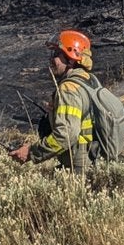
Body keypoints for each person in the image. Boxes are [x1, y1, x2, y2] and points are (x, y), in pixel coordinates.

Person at [12, 30, 101, 175]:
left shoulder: (69, 88)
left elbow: (66, 134)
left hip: (78, 166)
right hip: (94, 158)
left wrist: (31, 152)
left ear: (71, 59)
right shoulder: (89, 80)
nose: (51, 60)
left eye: (56, 54)